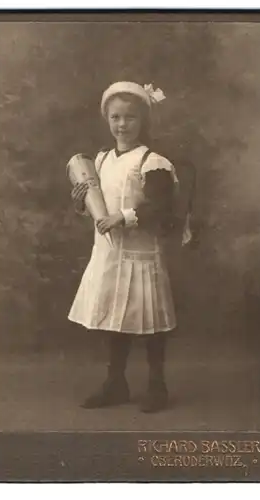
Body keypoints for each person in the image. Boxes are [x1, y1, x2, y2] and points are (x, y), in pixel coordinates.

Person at [68, 81, 189, 413]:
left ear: (143, 121)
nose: (122, 125)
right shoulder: (102, 159)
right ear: (107, 119)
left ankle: (157, 385)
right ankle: (116, 383)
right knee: (115, 319)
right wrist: (83, 204)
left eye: (130, 118)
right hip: (110, 253)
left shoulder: (152, 161)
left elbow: (161, 209)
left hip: (141, 254)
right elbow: (99, 205)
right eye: (115, 117)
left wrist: (122, 218)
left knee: (148, 321)